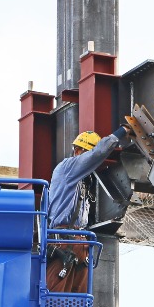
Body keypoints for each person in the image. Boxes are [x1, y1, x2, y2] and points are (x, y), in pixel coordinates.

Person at [45, 126, 130, 293]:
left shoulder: (83, 181)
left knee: (79, 301)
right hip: (64, 241)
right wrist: (120, 133)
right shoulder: (67, 168)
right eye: (87, 155)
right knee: (55, 296)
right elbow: (97, 154)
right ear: (77, 151)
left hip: (80, 243)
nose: (92, 164)